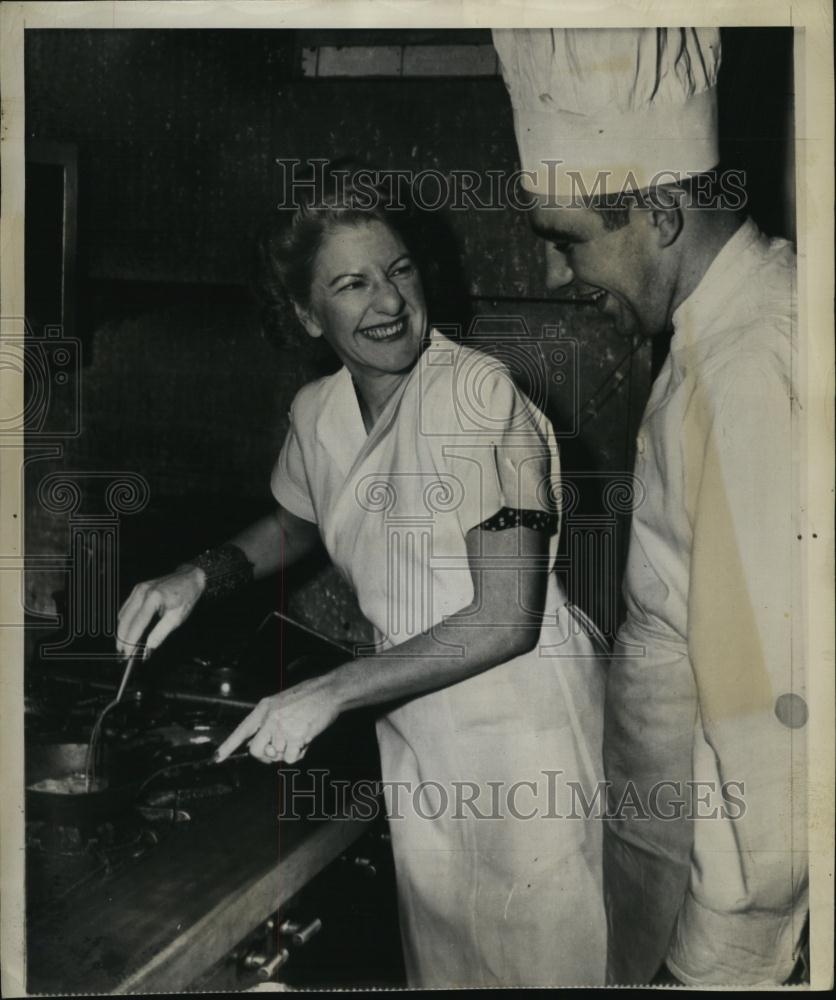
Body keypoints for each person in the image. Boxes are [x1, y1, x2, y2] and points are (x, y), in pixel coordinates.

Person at [116, 171, 609, 987]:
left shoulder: (480, 401)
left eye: (400, 269)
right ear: (309, 315)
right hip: (416, 733)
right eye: (353, 283)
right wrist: (195, 576)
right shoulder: (319, 412)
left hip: (527, 742)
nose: (389, 300)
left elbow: (506, 618)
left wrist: (331, 692)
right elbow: (300, 519)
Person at [493, 27, 808, 987]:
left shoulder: (750, 370)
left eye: (567, 242)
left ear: (663, 212)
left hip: (723, 942)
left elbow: (771, 752)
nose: (557, 277)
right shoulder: (729, 322)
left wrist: (706, 968)